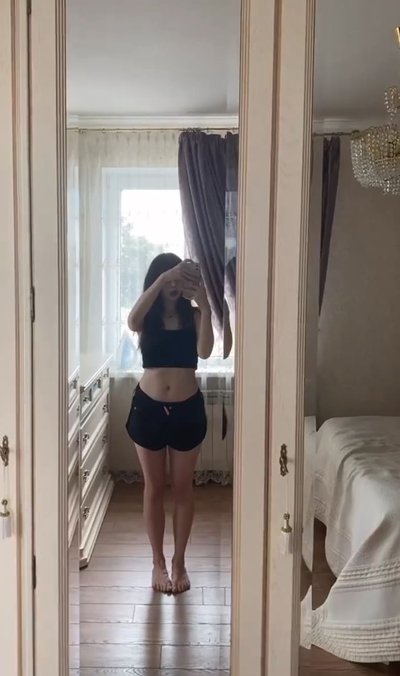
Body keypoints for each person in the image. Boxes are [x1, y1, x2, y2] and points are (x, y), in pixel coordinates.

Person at [126, 253, 214, 594]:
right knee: (153, 487)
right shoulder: (147, 317)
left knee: (182, 488)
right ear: (159, 282)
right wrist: (164, 277)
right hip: (148, 409)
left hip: (186, 410)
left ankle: (179, 561)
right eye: (169, 280)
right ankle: (157, 562)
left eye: (180, 279)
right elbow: (132, 321)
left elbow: (205, 352)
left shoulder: (194, 316)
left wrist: (205, 305)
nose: (175, 285)